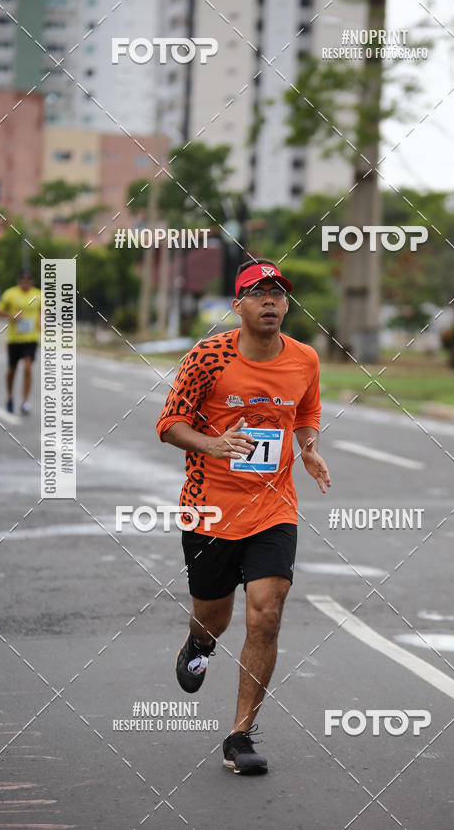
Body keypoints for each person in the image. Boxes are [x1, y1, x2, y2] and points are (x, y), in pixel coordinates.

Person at [156, 258, 330, 775]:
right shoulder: (207, 356)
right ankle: (199, 641)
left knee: (267, 611)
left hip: (274, 507)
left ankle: (240, 735)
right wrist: (214, 443)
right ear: (239, 305)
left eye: (279, 293)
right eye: (260, 293)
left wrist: (310, 447)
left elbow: (306, 413)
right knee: (216, 616)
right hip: (209, 506)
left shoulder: (304, 359)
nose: (272, 301)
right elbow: (168, 425)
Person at [0, 268, 41, 415]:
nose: (25, 282)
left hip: (31, 338)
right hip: (14, 339)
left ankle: (25, 401)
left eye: (28, 279)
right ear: (18, 280)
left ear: (32, 281)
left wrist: (42, 322)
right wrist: (12, 316)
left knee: (28, 368)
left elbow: (45, 311)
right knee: (12, 370)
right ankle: (10, 396)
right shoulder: (10, 294)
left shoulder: (38, 294)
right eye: (23, 279)